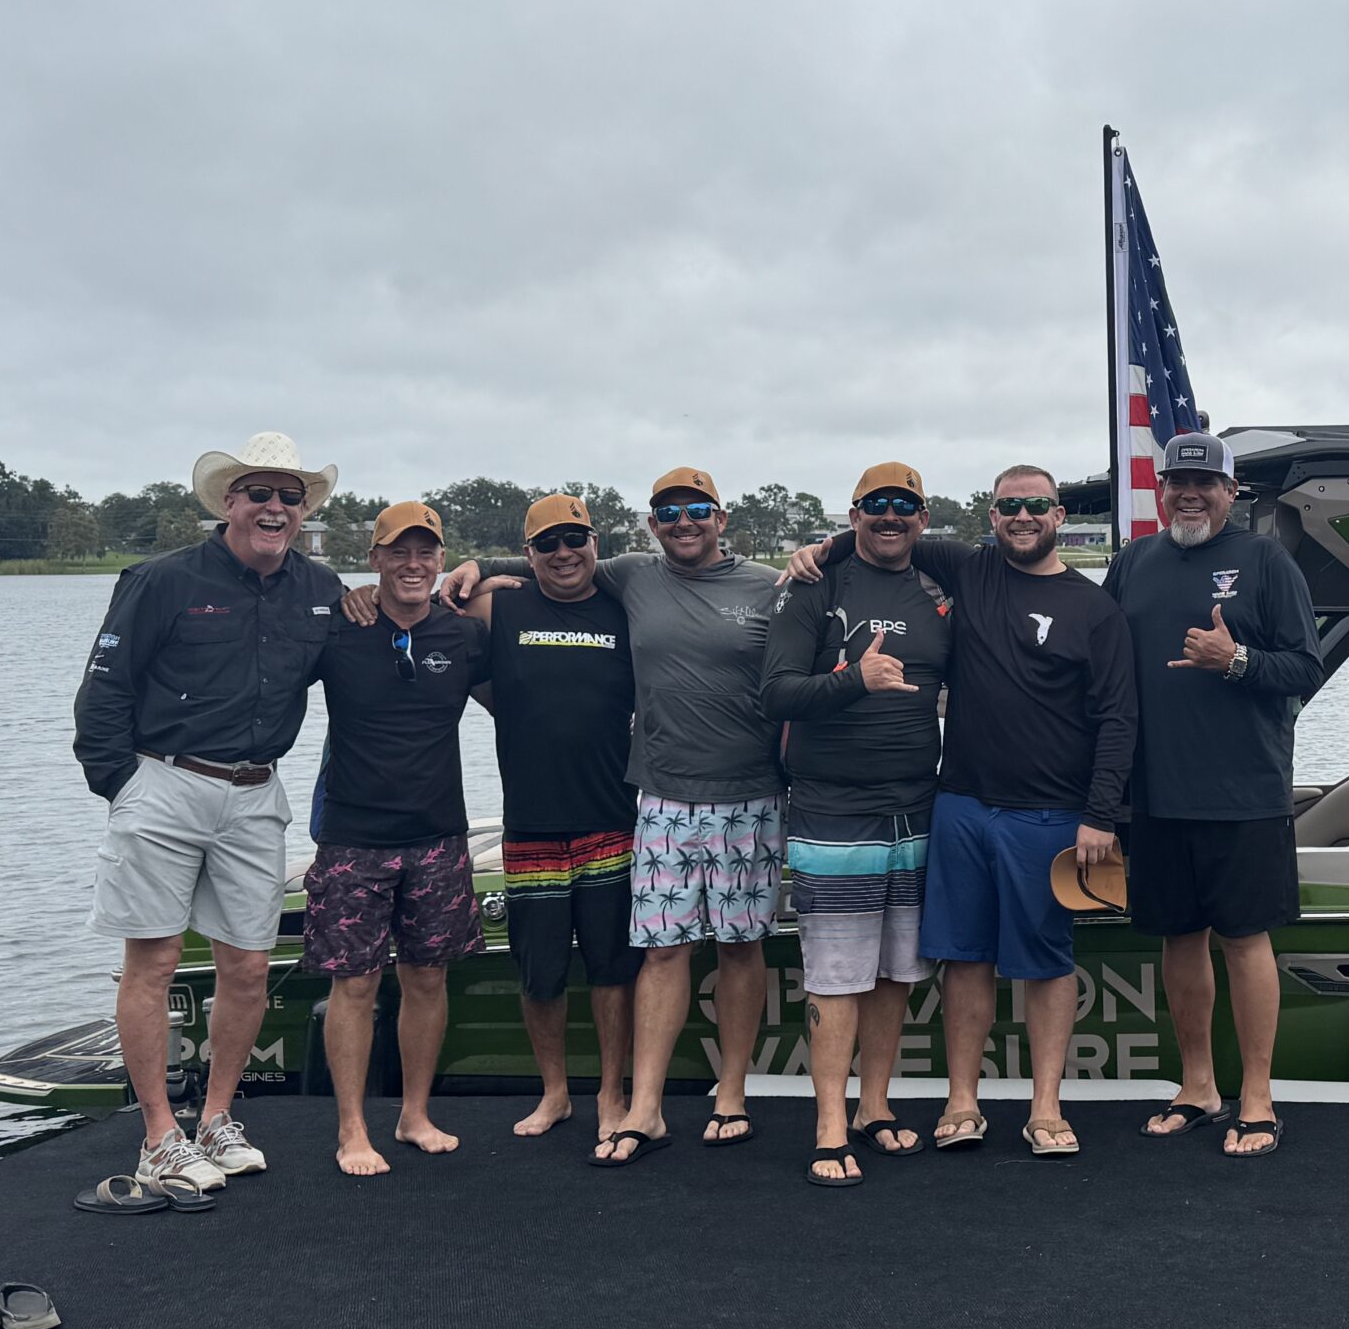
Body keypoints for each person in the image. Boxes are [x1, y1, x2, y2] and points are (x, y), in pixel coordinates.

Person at [788, 463, 1136, 1156]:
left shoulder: (1094, 609)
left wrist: (1102, 815)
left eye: (1036, 505)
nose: (1022, 517)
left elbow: (1119, 719)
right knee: (965, 959)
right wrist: (821, 548)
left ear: (1059, 515)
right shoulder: (968, 569)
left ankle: (1045, 1108)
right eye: (1009, 507)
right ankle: (961, 1102)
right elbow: (887, 530)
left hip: (1051, 814)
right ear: (991, 516)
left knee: (1045, 962)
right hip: (961, 806)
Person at [447, 467, 783, 1164]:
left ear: (721, 518)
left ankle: (718, 1094)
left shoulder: (759, 585)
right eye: (670, 514)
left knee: (728, 948)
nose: (684, 523)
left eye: (698, 510)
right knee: (637, 954)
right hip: (648, 799)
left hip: (733, 795)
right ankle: (630, 1105)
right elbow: (495, 608)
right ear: (652, 526)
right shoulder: (617, 579)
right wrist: (476, 567)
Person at [73, 431, 346, 1195]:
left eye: (290, 496)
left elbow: (370, 643)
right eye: (259, 493)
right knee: (155, 960)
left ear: (303, 511)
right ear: (230, 501)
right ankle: (159, 1135)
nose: (274, 507)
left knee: (250, 966)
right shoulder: (161, 580)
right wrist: (124, 789)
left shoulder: (322, 589)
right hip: (165, 781)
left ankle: (217, 1118)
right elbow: (103, 693)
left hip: (257, 793)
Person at [1102, 431, 1322, 1159]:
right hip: (1155, 794)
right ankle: (1197, 1085)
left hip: (1244, 793)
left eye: (1205, 484)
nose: (1189, 494)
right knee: (1179, 938)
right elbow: (1096, 660)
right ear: (1161, 489)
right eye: (1177, 482)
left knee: (1245, 939)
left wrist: (1237, 660)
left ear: (1232, 493)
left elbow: (1305, 668)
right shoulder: (1132, 562)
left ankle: (1256, 1095)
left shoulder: (1266, 562)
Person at [762, 462, 950, 1187]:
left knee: (896, 971)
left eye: (904, 504)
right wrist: (853, 680)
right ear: (854, 514)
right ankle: (829, 1124)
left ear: (923, 518)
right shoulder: (816, 584)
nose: (890, 515)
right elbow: (777, 692)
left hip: (916, 808)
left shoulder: (937, 589)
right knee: (837, 976)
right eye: (876, 504)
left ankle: (875, 1106)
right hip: (833, 810)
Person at [305, 503, 491, 1175]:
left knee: (428, 979)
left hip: (437, 836)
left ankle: (415, 1115)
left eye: (426, 553)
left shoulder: (463, 636)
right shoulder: (338, 629)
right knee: (354, 986)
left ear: (441, 559)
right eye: (398, 552)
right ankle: (352, 1130)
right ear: (375, 558)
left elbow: (522, 702)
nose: (413, 565)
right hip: (353, 838)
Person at [460, 493, 639, 1143]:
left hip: (610, 818)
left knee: (612, 968)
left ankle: (612, 1093)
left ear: (594, 543)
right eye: (547, 544)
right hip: (531, 822)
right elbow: (443, 627)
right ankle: (555, 1093)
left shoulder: (623, 606)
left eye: (575, 539)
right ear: (528, 553)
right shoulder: (499, 606)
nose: (563, 553)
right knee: (540, 973)